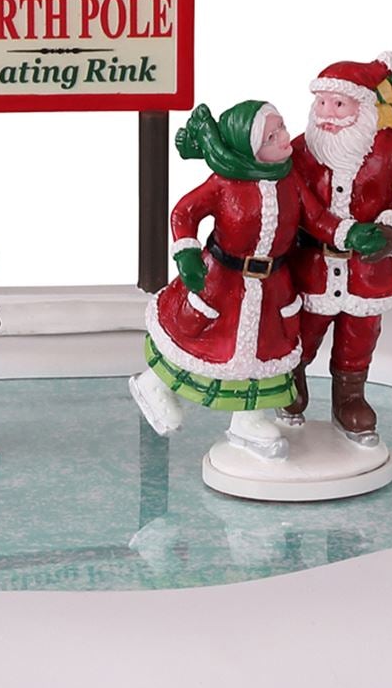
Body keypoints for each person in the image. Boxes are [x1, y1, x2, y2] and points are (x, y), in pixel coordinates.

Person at [130, 99, 306, 459]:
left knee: (265, 351)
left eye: (281, 128)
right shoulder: (224, 183)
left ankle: (248, 420)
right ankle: (154, 384)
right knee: (196, 339)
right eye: (271, 136)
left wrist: (348, 234)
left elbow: (315, 217)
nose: (284, 137)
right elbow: (184, 212)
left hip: (272, 286)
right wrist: (186, 251)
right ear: (249, 147)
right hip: (221, 280)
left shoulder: (291, 180)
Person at [287, 54, 392, 443]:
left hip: (367, 272)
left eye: (339, 104)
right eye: (321, 103)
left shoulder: (389, 148)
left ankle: (350, 396)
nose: (327, 114)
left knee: (359, 336)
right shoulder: (301, 151)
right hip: (313, 267)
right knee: (302, 331)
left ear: (364, 107)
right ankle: (291, 379)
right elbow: (288, 198)